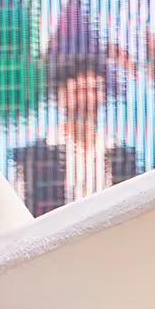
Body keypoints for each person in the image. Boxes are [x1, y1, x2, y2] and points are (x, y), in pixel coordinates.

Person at [10, 52, 141, 216]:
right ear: (61, 96)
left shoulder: (122, 155)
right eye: (81, 91)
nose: (89, 98)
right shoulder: (33, 158)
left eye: (95, 90)